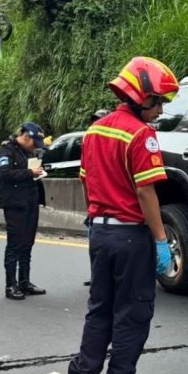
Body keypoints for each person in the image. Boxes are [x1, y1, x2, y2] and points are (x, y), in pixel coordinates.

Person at [68, 56, 177, 374]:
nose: (160, 110)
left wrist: (96, 218)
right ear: (141, 97)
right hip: (131, 237)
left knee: (100, 307)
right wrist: (161, 240)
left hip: (100, 234)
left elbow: (86, 182)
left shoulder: (95, 131)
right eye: (158, 101)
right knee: (133, 310)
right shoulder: (141, 135)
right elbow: (146, 191)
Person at [0, 122, 48, 300]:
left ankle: (24, 282)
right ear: (26, 136)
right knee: (14, 245)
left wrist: (37, 173)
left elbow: (30, 173)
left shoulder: (27, 152)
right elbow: (4, 174)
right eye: (34, 143)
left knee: (27, 244)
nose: (35, 147)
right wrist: (28, 173)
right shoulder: (6, 150)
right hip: (15, 205)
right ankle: (10, 285)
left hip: (30, 203)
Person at [82, 109, 111, 287]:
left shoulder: (113, 144)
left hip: (110, 209)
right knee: (94, 245)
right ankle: (97, 276)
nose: (95, 124)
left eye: (99, 120)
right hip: (95, 207)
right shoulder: (89, 141)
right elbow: (84, 178)